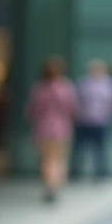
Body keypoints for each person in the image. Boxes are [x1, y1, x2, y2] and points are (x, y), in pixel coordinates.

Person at [25, 56, 78, 203]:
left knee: (46, 159)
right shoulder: (66, 87)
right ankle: (56, 185)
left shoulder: (38, 89)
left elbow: (30, 111)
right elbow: (73, 109)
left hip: (42, 129)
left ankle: (49, 184)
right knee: (59, 159)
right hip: (61, 128)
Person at [72, 59, 112, 181]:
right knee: (80, 149)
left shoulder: (110, 84)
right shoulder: (83, 83)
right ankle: (76, 173)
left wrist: (109, 114)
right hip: (84, 121)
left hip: (101, 121)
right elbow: (76, 101)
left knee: (101, 150)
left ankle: (101, 174)